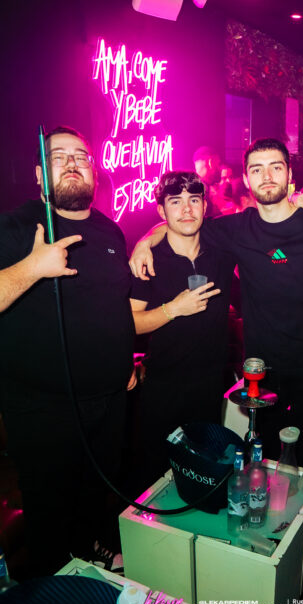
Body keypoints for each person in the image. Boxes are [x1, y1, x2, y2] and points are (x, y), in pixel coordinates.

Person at [129, 138, 303, 469]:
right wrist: (145, 241)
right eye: (257, 170)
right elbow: (182, 222)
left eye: (276, 167)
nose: (268, 176)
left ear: (290, 174)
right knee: (267, 462)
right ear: (246, 179)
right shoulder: (235, 229)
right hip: (262, 371)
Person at [0, 126, 135, 575]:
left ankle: (91, 550)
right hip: (44, 408)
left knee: (95, 494)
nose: (73, 163)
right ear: (40, 175)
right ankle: (53, 592)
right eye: (59, 157)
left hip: (108, 400)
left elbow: (114, 303)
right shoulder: (16, 227)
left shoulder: (109, 229)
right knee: (51, 511)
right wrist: (32, 267)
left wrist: (125, 359)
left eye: (81, 155)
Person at [130, 171, 235, 489]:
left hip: (211, 386)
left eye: (194, 200)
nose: (187, 209)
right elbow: (130, 321)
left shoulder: (222, 251)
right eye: (175, 202)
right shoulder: (149, 261)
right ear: (161, 211)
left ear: (205, 205)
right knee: (157, 478)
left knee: (203, 476)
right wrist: (173, 309)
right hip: (164, 388)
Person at [193, 145, 222, 218]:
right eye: (218, 164)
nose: (220, 168)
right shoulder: (200, 190)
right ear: (210, 163)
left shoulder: (191, 186)